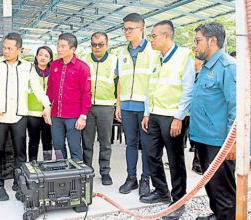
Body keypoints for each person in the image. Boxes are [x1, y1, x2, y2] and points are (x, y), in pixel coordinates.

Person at [0, 32, 51, 201]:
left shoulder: (27, 67)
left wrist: (47, 105)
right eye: (4, 47)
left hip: (19, 116)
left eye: (9, 48)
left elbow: (37, 89)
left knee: (20, 153)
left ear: (19, 50)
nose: (5, 51)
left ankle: (19, 182)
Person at [141, 20, 195, 219]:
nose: (152, 40)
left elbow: (189, 89)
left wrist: (179, 117)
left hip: (173, 117)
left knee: (175, 160)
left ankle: (178, 200)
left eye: (154, 36)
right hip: (155, 115)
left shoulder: (184, 56)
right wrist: (147, 113)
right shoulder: (157, 58)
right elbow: (151, 87)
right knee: (151, 154)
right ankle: (161, 190)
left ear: (166, 36)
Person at [190, 22, 236, 220]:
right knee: (211, 184)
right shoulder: (208, 66)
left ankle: (226, 217)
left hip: (219, 142)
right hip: (204, 138)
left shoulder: (228, 67)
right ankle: (218, 215)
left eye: (198, 41)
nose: (194, 45)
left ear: (213, 40)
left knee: (223, 189)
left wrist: (233, 142)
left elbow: (237, 108)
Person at [115, 13, 158, 196]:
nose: (126, 32)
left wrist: (149, 111)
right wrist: (118, 105)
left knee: (147, 146)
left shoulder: (153, 52)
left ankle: (145, 179)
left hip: (145, 108)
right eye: (125, 28)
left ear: (142, 29)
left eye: (130, 28)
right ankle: (131, 178)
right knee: (130, 144)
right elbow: (120, 81)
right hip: (126, 107)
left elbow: (155, 83)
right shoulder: (121, 52)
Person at [47, 33, 92, 162]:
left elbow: (87, 93)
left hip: (73, 116)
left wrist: (83, 116)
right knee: (58, 147)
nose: (58, 49)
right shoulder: (55, 65)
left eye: (63, 46)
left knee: (75, 148)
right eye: (58, 45)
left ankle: (76, 178)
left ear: (72, 49)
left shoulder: (82, 67)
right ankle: (62, 172)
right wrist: (47, 107)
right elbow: (50, 89)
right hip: (56, 115)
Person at [81, 32, 117, 185]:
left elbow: (119, 84)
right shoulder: (84, 59)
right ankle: (87, 171)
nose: (97, 47)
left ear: (107, 45)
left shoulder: (114, 60)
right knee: (87, 142)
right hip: (87, 107)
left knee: (105, 142)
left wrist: (118, 105)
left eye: (100, 44)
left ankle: (105, 172)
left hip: (106, 107)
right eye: (94, 44)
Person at [27, 46, 53, 161]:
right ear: (36, 56)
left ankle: (47, 164)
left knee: (48, 141)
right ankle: (33, 164)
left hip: (48, 113)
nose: (43, 57)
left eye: (46, 56)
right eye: (40, 54)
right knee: (33, 141)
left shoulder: (53, 72)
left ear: (50, 59)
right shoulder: (29, 71)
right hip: (32, 113)